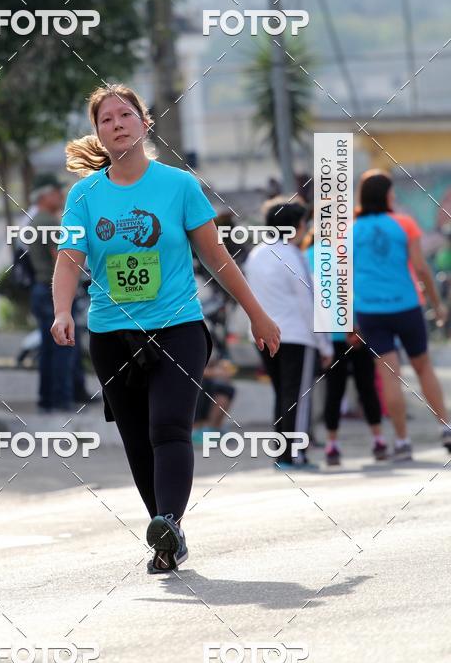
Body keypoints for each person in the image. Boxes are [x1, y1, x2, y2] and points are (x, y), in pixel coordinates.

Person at [51, 84, 280, 574]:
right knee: (136, 439)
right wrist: (62, 311)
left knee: (168, 427)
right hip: (112, 334)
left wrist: (257, 313)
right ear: (98, 133)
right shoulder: (84, 195)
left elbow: (215, 257)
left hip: (177, 326)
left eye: (126, 114)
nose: (117, 123)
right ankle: (165, 535)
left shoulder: (179, 186)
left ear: (144, 123)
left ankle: (169, 521)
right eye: (106, 119)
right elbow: (69, 260)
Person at [353, 170, 451, 460]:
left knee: (389, 374)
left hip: (370, 309)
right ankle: (446, 428)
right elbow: (421, 268)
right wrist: (437, 305)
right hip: (406, 305)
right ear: (386, 195)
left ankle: (402, 441)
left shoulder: (351, 229)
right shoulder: (405, 223)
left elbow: (342, 276)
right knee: (423, 368)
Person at [243, 198, 334, 470]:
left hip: (263, 336)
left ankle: (282, 454)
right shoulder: (293, 255)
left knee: (282, 393)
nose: (306, 229)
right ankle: (295, 454)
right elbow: (308, 303)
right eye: (304, 224)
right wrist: (325, 344)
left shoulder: (256, 255)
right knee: (297, 396)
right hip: (296, 335)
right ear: (295, 226)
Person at [305, 236, 387, 465]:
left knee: (336, 389)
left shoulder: (308, 254)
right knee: (366, 386)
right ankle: (378, 440)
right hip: (355, 330)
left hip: (331, 334)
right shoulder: (350, 249)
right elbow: (357, 288)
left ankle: (333, 445)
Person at [28, 178, 76, 412]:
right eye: (57, 192)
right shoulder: (48, 222)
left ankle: (46, 398)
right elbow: (62, 260)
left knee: (48, 348)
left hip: (40, 288)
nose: (61, 197)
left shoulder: (35, 220)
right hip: (52, 292)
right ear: (44, 196)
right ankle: (61, 400)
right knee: (63, 346)